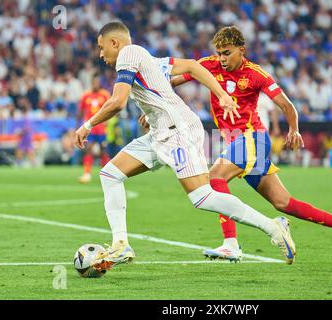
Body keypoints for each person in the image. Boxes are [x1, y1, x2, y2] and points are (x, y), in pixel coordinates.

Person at [74, 22, 296, 271]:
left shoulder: (128, 54)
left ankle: (272, 226)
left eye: (102, 48)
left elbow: (117, 102)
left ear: (115, 43)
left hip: (178, 132)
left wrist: (87, 125)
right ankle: (121, 244)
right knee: (110, 174)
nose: (101, 54)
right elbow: (191, 66)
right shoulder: (145, 58)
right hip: (160, 133)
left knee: (202, 196)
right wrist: (219, 94)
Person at [171, 26, 332, 261]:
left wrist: (294, 129)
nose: (222, 59)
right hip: (237, 141)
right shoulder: (208, 65)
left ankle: (231, 244)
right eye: (219, 53)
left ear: (241, 50)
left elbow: (287, 106)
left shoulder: (256, 74)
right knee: (284, 203)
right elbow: (173, 81)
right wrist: (156, 105)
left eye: (227, 53)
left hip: (253, 138)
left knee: (215, 177)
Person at [77, 76, 111, 183]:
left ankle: (108, 174)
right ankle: (87, 174)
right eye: (94, 82)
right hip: (89, 129)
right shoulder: (86, 95)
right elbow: (80, 112)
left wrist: (108, 122)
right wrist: (78, 126)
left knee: (103, 151)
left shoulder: (104, 94)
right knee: (88, 150)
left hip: (101, 129)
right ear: (92, 83)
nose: (95, 84)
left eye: (97, 82)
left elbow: (111, 108)